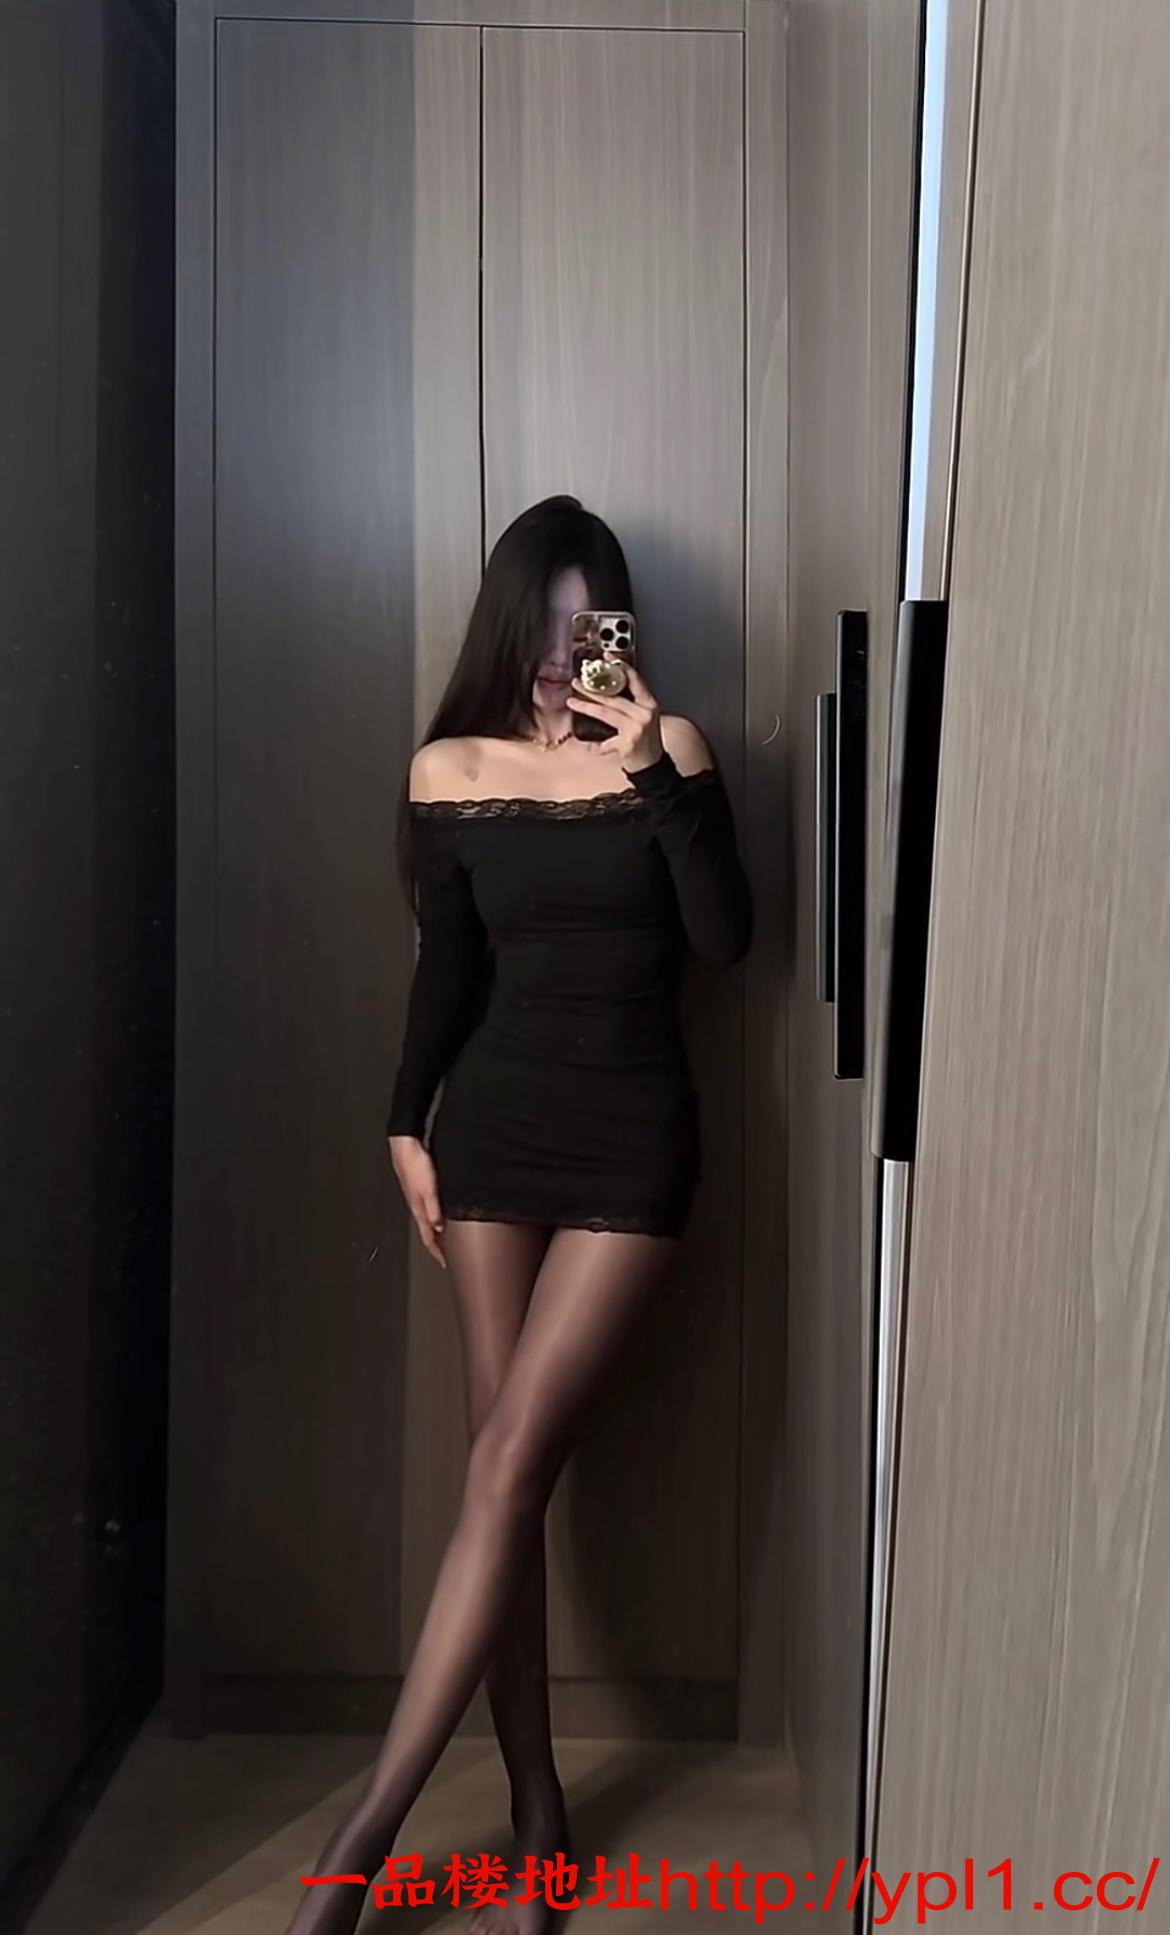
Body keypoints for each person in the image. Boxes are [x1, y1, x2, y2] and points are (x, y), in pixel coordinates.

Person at [284, 495, 753, 1935]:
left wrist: (651, 768)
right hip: (490, 1132)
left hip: (630, 1145)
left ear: (618, 628)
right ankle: (540, 1818)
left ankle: (358, 1849)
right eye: (544, 624)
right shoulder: (449, 769)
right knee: (507, 1478)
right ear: (506, 622)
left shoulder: (672, 750)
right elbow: (447, 970)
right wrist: (402, 1125)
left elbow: (727, 939)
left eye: (588, 623)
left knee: (502, 1471)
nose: (563, 652)